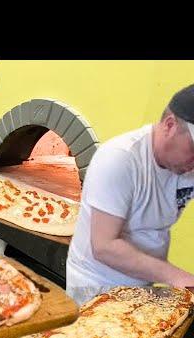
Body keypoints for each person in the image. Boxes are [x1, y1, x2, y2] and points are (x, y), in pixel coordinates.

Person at [66, 83, 194, 307]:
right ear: (170, 125)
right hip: (96, 284)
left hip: (144, 282)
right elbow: (104, 246)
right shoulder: (119, 159)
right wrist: (177, 277)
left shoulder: (186, 164)